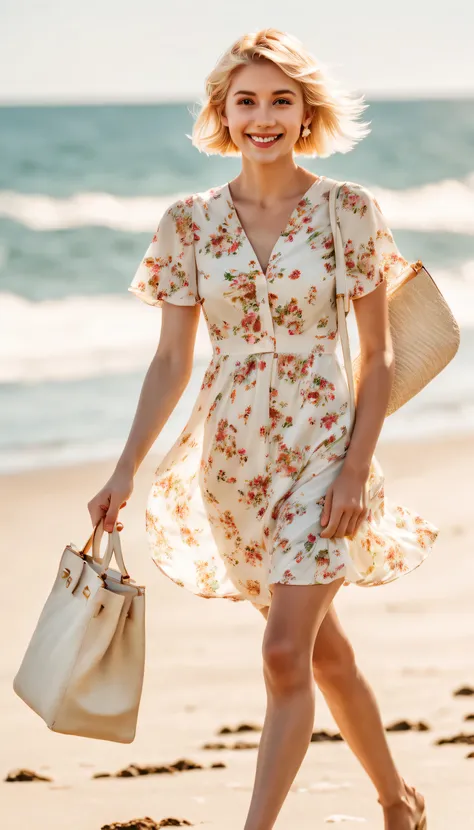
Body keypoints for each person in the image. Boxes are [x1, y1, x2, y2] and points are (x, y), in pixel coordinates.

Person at [88, 28, 436, 830]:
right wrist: (124, 469)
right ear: (223, 112)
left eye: (281, 100)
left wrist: (356, 467)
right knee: (320, 651)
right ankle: (399, 803)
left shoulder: (350, 211)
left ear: (306, 112)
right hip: (233, 464)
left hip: (325, 450)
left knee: (284, 654)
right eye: (247, 100)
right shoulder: (187, 224)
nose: (264, 116)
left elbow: (377, 356)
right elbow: (172, 361)